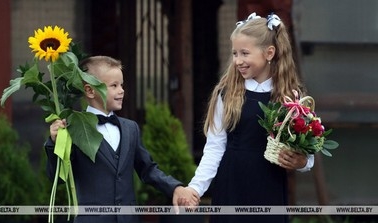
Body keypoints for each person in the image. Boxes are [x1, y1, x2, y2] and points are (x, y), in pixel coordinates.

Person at [177, 12, 315, 223]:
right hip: (230, 189)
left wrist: (303, 161)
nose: (238, 61)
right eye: (234, 54)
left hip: (270, 190)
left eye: (244, 53)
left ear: (269, 53)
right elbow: (215, 147)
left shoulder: (291, 98)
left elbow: (305, 148)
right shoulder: (226, 94)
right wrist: (195, 187)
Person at [44, 56, 199, 223]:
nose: (121, 90)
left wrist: (175, 187)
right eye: (114, 86)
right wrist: (54, 143)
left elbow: (148, 169)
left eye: (121, 85)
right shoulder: (72, 128)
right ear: (89, 90)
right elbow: (58, 178)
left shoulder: (130, 128)